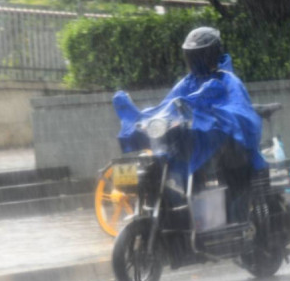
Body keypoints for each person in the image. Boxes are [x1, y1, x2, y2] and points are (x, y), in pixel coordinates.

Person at [113, 26, 265, 222]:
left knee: (235, 190)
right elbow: (167, 106)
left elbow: (238, 112)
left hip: (229, 153)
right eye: (192, 55)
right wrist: (143, 120)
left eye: (199, 55)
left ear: (211, 54)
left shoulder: (228, 80)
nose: (195, 60)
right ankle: (194, 225)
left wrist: (213, 119)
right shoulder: (188, 82)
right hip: (198, 150)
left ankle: (237, 226)